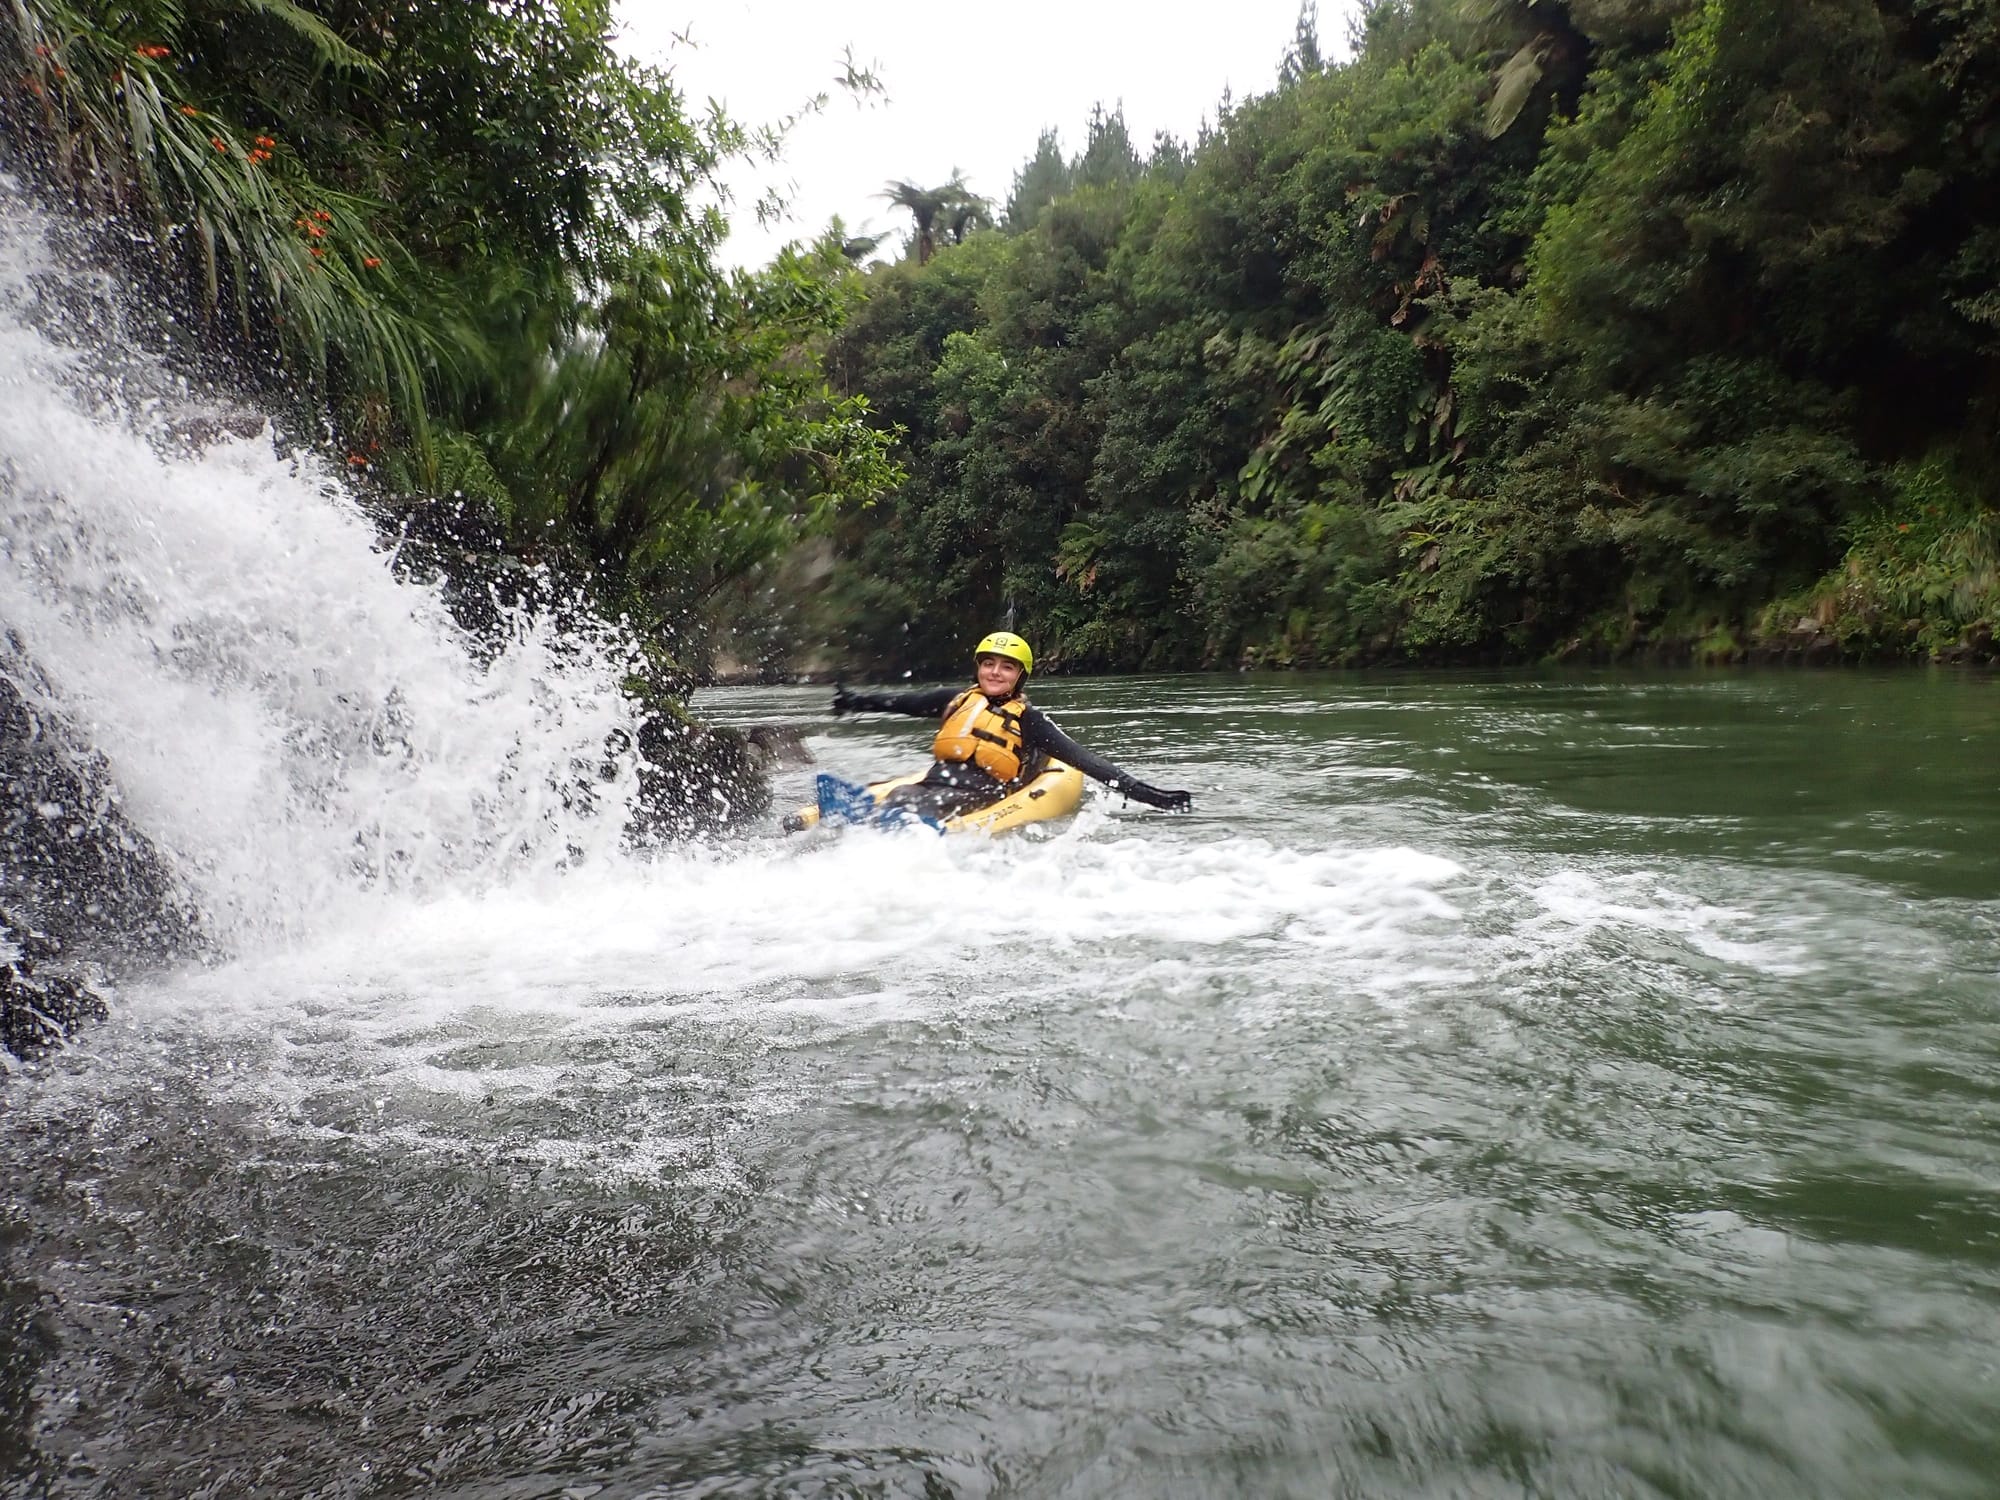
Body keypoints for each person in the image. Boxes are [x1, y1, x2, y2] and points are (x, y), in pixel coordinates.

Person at [824, 631, 1193, 823]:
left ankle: (879, 825)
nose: (995, 672)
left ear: (1020, 676)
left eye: (1007, 667)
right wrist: (854, 701)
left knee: (911, 802)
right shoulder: (957, 699)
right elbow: (898, 703)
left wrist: (1155, 797)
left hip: (980, 796)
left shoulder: (1029, 720)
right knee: (902, 795)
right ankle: (863, 820)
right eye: (988, 664)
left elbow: (1089, 763)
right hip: (933, 785)